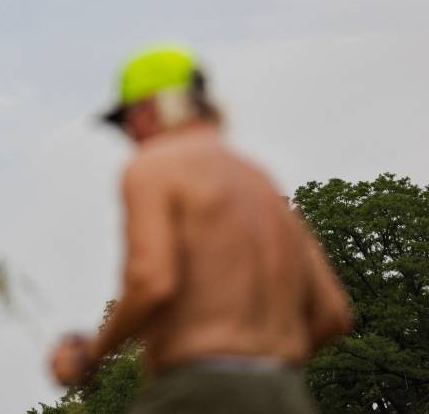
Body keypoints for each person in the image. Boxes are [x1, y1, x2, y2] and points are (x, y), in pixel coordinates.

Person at [49, 45, 353, 413]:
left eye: (127, 118)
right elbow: (333, 314)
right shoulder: (259, 180)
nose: (128, 134)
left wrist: (91, 357)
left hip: (198, 392)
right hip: (285, 394)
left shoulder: (152, 166)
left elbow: (153, 280)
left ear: (152, 108)